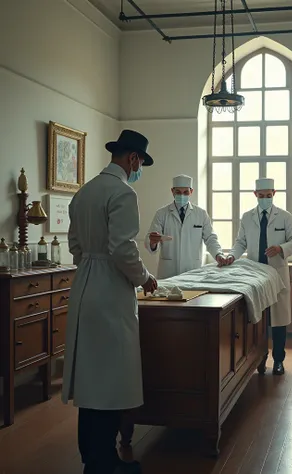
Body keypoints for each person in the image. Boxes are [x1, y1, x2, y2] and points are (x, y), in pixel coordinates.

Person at [61, 129, 158, 474]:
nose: (138, 169)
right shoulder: (122, 193)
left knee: (90, 378)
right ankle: (104, 464)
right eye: (140, 163)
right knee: (110, 379)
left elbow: (74, 245)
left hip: (85, 284)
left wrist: (91, 262)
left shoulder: (84, 192)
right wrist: (145, 279)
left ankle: (92, 455)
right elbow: (122, 248)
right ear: (132, 159)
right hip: (110, 291)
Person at [226, 178, 292, 375]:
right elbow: (240, 243)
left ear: (274, 193)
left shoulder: (284, 217)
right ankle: (260, 358)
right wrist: (231, 257)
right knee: (257, 320)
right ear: (255, 195)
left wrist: (280, 248)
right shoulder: (247, 217)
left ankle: (278, 360)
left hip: (277, 273)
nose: (265, 199)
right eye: (262, 196)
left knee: (278, 320)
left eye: (269, 196)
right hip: (255, 275)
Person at [144, 174, 225, 279]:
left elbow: (210, 239)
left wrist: (218, 254)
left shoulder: (201, 214)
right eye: (178, 192)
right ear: (172, 191)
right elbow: (151, 238)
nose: (182, 195)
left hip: (192, 271)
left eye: (185, 192)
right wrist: (153, 242)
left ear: (191, 191)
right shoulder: (162, 214)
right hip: (168, 272)